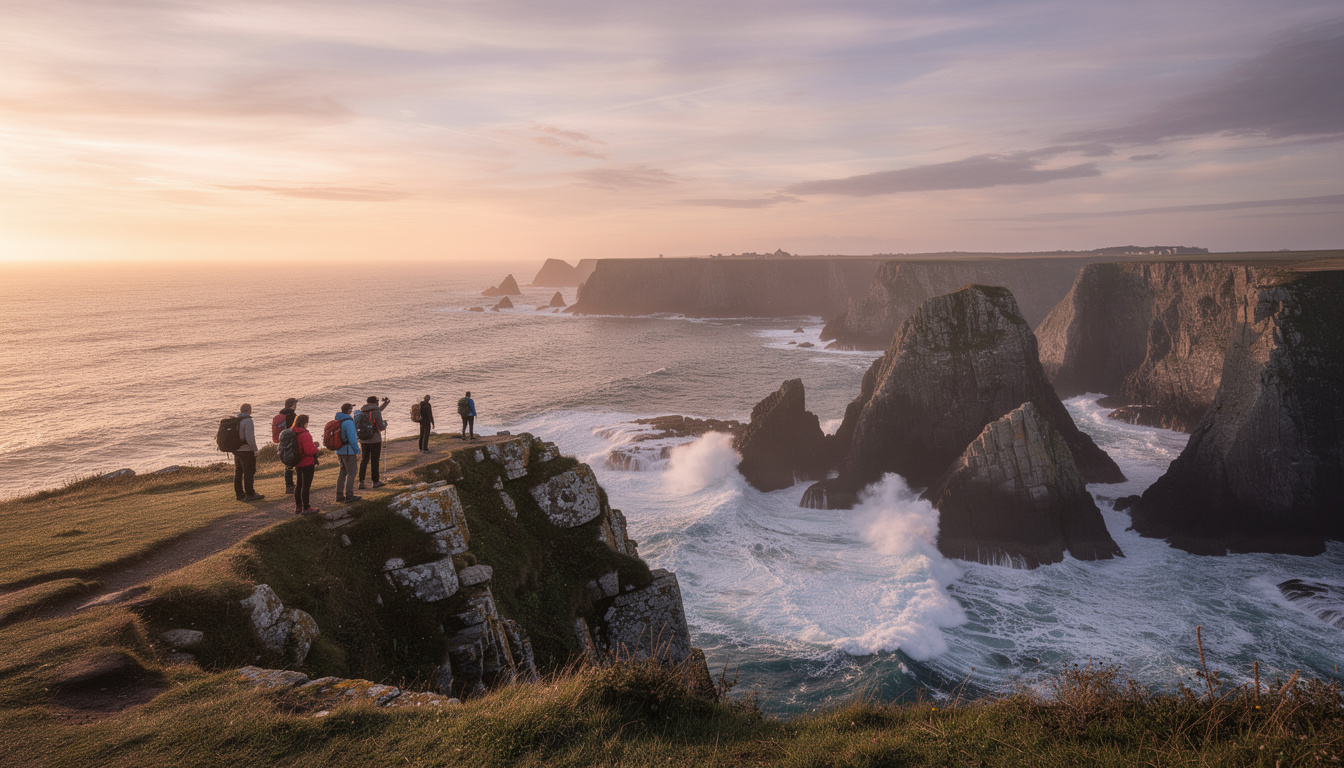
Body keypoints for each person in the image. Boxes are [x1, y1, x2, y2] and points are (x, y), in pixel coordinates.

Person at [234, 403, 264, 501]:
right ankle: (250, 494)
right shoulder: (248, 421)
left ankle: (239, 494)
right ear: (249, 410)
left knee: (238, 472)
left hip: (236, 449)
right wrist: (255, 449)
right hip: (246, 450)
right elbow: (250, 438)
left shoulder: (236, 420)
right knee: (249, 472)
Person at [358, 395, 390, 490]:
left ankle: (361, 482)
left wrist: (386, 404)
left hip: (363, 440)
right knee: (374, 460)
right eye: (377, 401)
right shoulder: (376, 412)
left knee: (364, 460)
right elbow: (380, 427)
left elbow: (378, 410)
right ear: (375, 402)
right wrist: (385, 424)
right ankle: (375, 482)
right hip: (375, 440)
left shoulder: (362, 411)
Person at [291, 414, 320, 514]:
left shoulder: (293, 432)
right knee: (306, 486)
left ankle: (298, 506)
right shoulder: (305, 434)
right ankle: (306, 508)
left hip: (297, 462)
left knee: (299, 484)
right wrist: (316, 447)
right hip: (307, 462)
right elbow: (309, 451)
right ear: (304, 423)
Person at [334, 403, 361, 503]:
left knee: (343, 472)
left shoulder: (338, 419)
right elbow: (352, 439)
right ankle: (349, 495)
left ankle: (339, 495)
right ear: (349, 410)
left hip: (339, 450)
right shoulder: (348, 422)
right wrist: (357, 451)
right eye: (351, 409)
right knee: (352, 472)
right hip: (348, 451)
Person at [275, 398, 298, 494]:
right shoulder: (292, 415)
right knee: (295, 462)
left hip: (282, 442)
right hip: (291, 442)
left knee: (288, 464)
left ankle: (289, 484)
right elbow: (296, 429)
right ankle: (290, 485)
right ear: (292, 405)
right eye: (295, 404)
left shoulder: (281, 414)